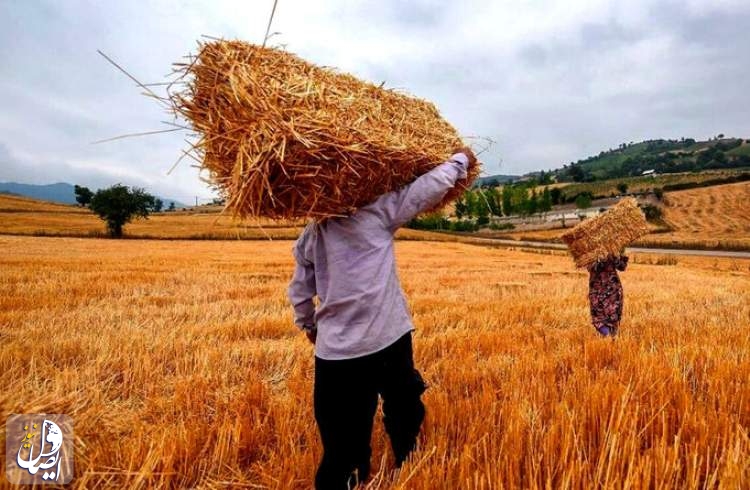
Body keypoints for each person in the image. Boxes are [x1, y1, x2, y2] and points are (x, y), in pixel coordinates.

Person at [287, 148, 476, 489]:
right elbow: (427, 188)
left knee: (342, 439)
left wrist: (309, 326)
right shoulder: (377, 213)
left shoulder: (311, 236)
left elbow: (300, 292)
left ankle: (349, 478)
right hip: (388, 339)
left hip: (337, 355)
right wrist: (460, 161)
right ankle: (410, 465)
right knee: (403, 408)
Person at [587, 254, 628, 337]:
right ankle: (609, 337)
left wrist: (614, 256)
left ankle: (611, 342)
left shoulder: (614, 247)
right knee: (598, 317)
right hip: (598, 289)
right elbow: (590, 266)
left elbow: (622, 266)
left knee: (613, 317)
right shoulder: (590, 248)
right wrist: (601, 257)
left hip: (612, 289)